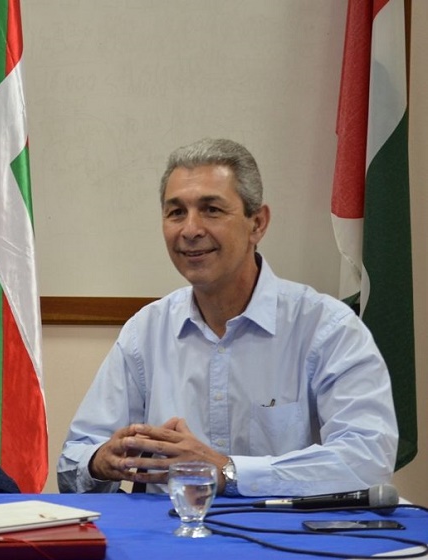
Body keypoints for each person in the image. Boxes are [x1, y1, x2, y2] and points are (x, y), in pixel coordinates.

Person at [57, 138, 398, 497]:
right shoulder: (146, 332)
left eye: (211, 210)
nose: (190, 230)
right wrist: (101, 461)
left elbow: (367, 460)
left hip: (287, 541)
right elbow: (72, 459)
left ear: (258, 224)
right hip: (170, 541)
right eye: (176, 212)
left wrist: (227, 471)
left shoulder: (325, 328)